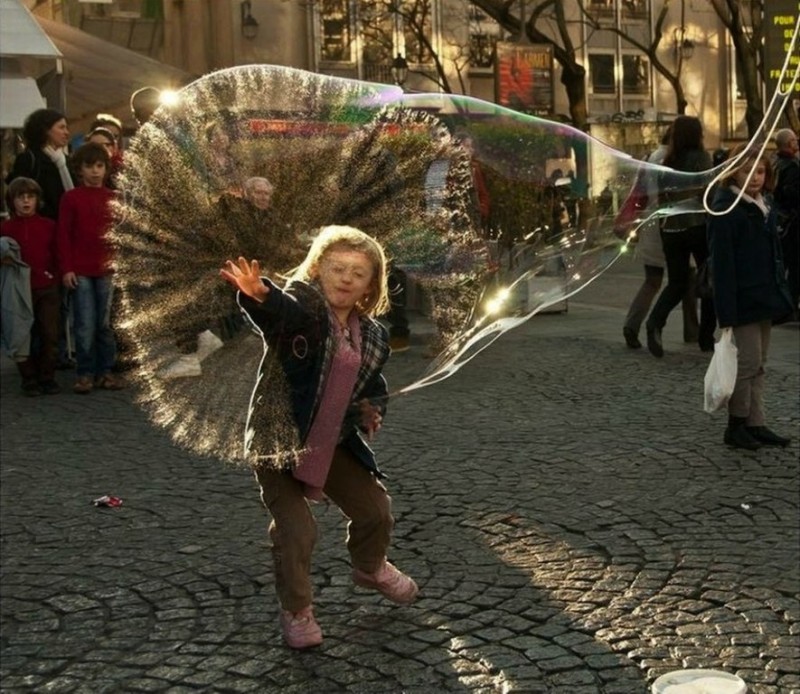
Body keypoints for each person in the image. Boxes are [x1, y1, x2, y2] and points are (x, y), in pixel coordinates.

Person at [219, 225, 418, 650]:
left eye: (358, 273)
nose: (346, 278)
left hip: (332, 440)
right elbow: (281, 313)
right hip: (280, 438)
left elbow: (371, 384)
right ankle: (297, 610)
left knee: (376, 510)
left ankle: (369, 567)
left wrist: (371, 410)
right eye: (337, 268)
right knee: (297, 530)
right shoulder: (305, 312)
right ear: (317, 269)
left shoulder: (375, 336)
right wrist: (261, 295)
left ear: (371, 285)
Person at [708, 143, 793, 450]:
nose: (755, 177)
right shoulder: (726, 208)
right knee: (747, 363)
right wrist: (726, 312)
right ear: (734, 173)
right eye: (747, 171)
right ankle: (736, 425)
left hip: (763, 296)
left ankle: (756, 422)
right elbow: (722, 265)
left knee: (759, 363)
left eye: (760, 170)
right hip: (742, 299)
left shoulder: (763, 204)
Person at [620, 127, 699, 349]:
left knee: (652, 281)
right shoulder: (676, 159)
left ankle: (631, 324)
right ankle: (692, 331)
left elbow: (641, 194)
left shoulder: (650, 157)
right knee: (686, 279)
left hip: (651, 225)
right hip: (674, 224)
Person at [645, 115, 715, 357]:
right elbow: (710, 193)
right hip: (697, 226)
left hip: (671, 230)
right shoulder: (701, 158)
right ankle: (706, 337)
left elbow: (662, 197)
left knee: (677, 283)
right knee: (708, 281)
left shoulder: (667, 161)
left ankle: (655, 322)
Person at [57, 143, 124, 394]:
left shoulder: (113, 198)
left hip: (107, 268)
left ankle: (105, 371)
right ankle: (85, 372)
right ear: (79, 169)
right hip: (81, 270)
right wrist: (67, 268)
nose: (95, 172)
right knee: (84, 323)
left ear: (106, 169)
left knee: (104, 324)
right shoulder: (71, 198)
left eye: (99, 166)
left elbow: (119, 235)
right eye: (89, 166)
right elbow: (63, 235)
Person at [0, 178, 61, 396]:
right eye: (20, 197)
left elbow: (57, 253)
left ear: (37, 200)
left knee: (49, 333)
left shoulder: (48, 225)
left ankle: (47, 376)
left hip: (46, 286)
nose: (26, 201)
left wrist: (55, 275)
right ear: (12, 201)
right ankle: (28, 378)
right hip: (18, 289)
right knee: (21, 333)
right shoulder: (6, 228)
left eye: (30, 196)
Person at [772, 128, 799, 320]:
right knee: (795, 267)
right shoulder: (792, 167)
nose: (797, 143)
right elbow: (792, 195)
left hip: (781, 221)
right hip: (793, 223)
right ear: (789, 144)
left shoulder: (775, 163)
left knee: (785, 265)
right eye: (795, 141)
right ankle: (789, 307)